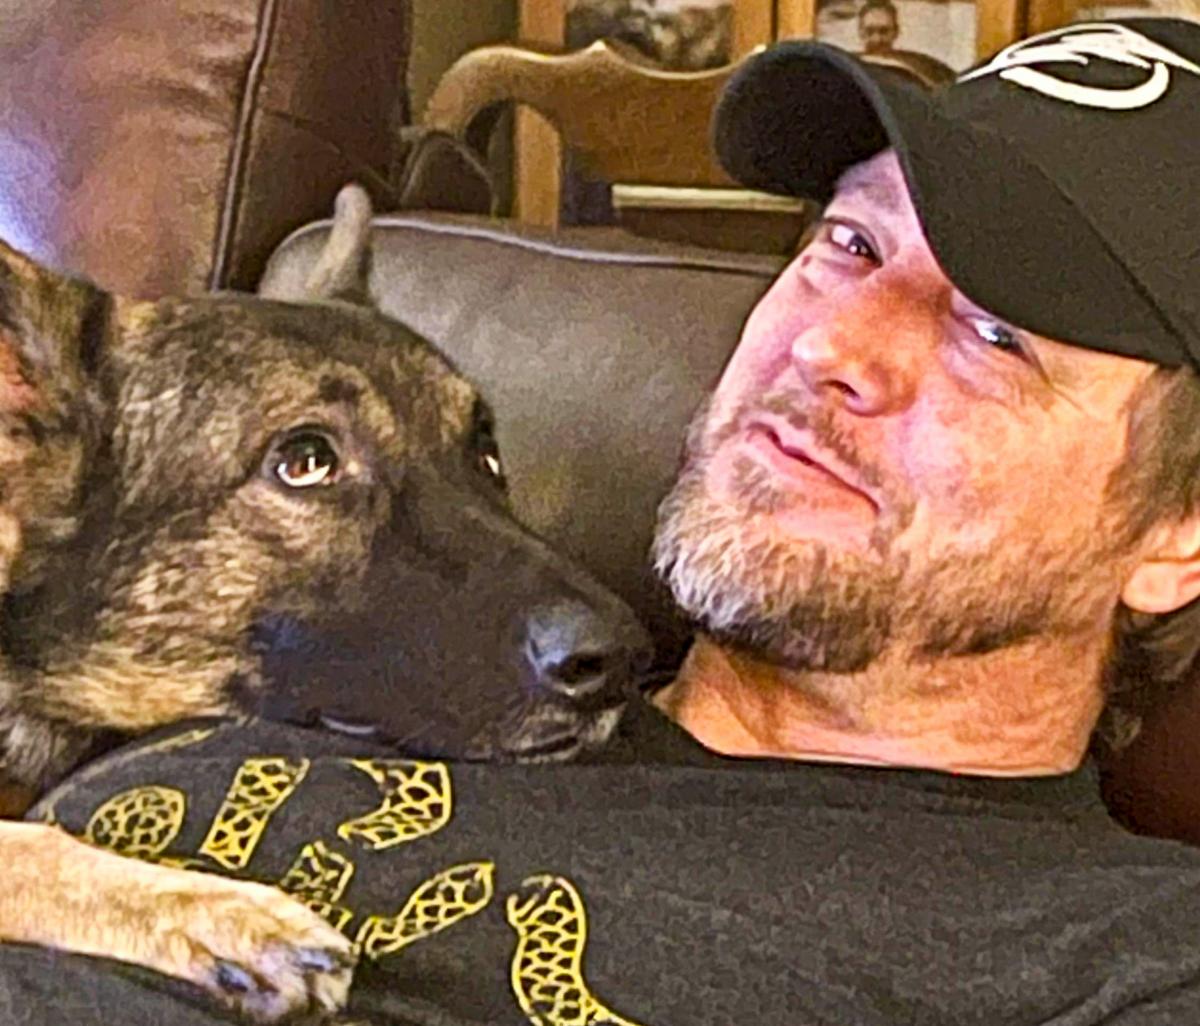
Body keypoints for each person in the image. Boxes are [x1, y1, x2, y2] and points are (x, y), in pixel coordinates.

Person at [9, 16, 1200, 1026]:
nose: (831, 345)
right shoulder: (357, 654)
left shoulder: (1126, 958)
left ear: (1179, 533)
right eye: (849, 244)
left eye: (995, 334)